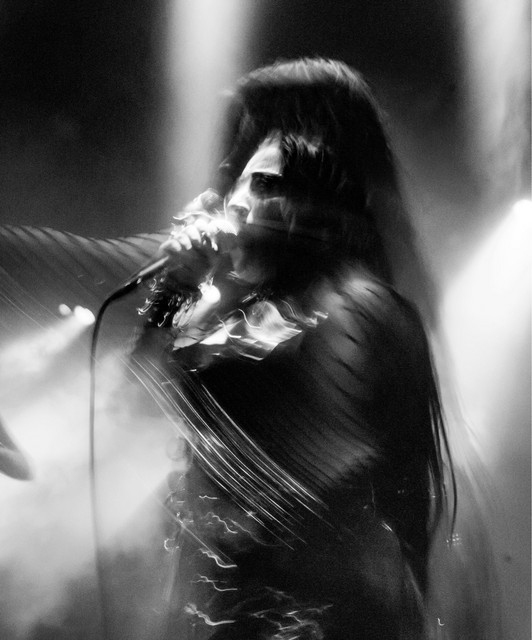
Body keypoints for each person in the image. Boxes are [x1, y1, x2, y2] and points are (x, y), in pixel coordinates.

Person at [129, 58, 454, 640]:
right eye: (238, 177)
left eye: (261, 181)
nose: (227, 195)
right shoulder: (244, 313)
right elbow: (134, 401)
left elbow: (294, 458)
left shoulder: (360, 308)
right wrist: (176, 291)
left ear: (314, 199)